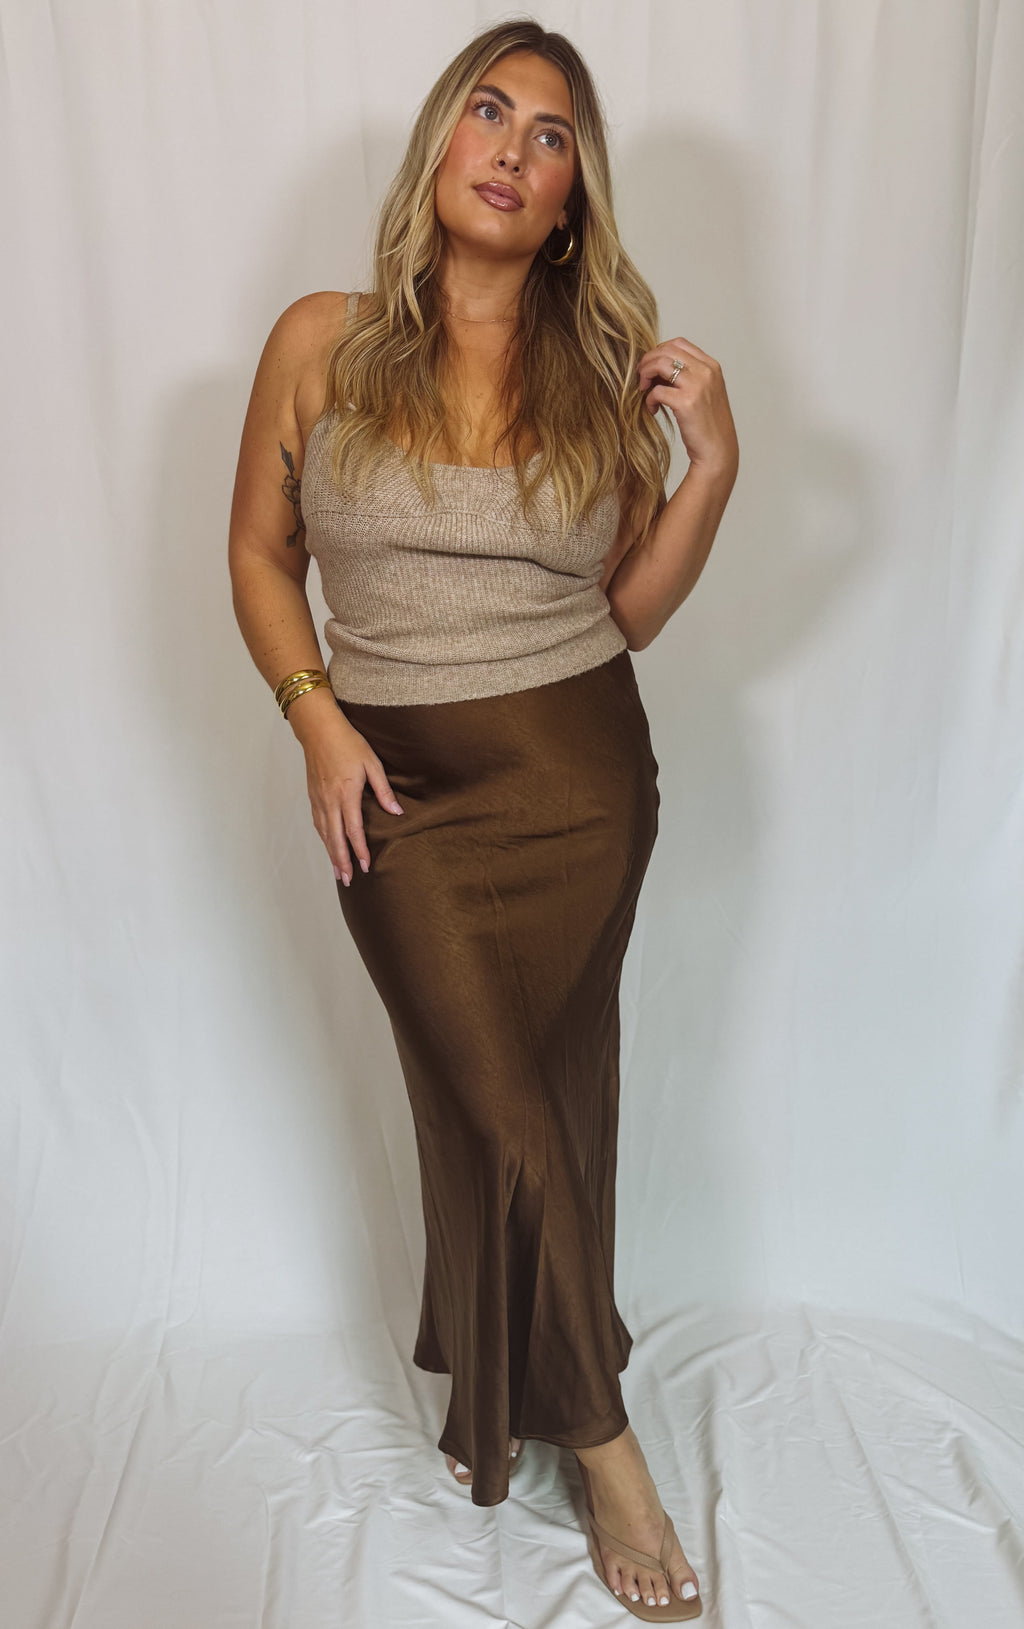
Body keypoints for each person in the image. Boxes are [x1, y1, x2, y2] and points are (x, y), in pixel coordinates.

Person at [229, 18, 737, 1621]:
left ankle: (524, 1391)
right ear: (441, 143)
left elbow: (632, 609)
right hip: (397, 785)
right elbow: (256, 551)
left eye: (553, 136)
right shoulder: (319, 337)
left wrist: (712, 465)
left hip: (584, 784)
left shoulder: (596, 373)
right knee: (493, 1095)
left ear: (576, 195)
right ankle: (598, 1430)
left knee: (539, 1097)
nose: (514, 151)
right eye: (490, 115)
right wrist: (314, 709)